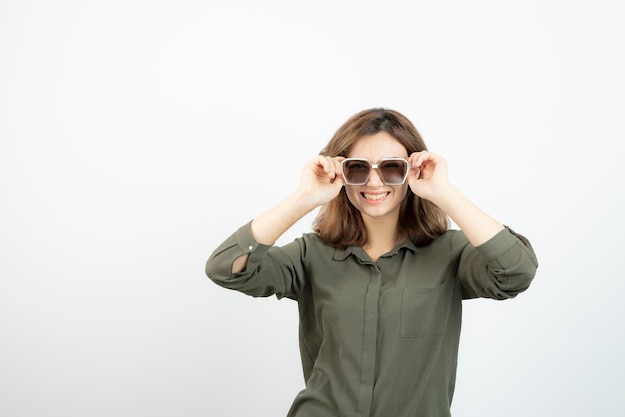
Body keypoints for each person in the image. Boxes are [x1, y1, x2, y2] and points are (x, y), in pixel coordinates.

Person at [205, 108, 538, 417]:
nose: (374, 182)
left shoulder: (450, 253)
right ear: (342, 172)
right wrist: (303, 199)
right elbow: (226, 268)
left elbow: (516, 272)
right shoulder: (310, 254)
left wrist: (444, 192)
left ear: (411, 172)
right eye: (358, 168)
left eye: (392, 167)